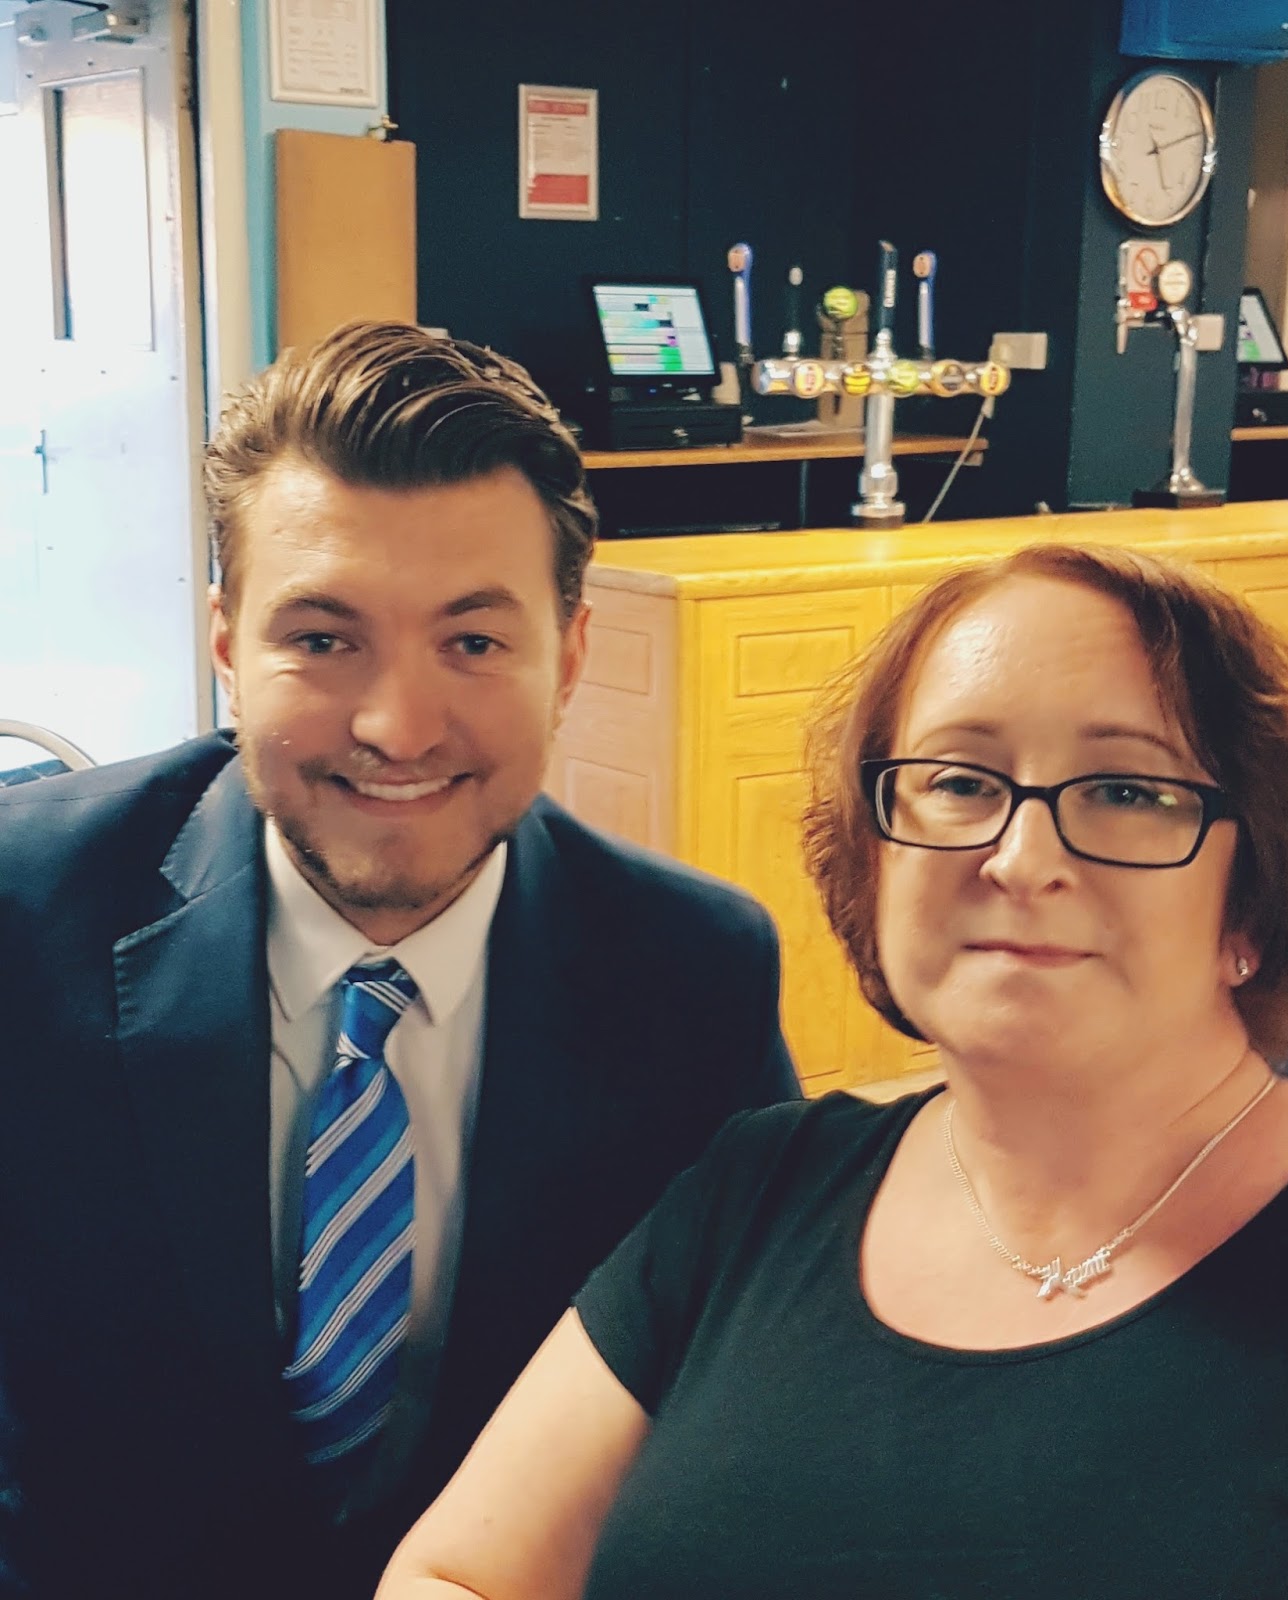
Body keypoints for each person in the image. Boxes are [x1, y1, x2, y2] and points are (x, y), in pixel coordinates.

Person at [379, 543, 1288, 1600]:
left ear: (1251, 902)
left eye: (1126, 790)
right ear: (875, 855)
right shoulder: (760, 1183)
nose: (1021, 859)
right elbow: (457, 1571)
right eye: (960, 781)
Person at [0, 322, 797, 1600]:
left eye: (473, 642)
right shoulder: (27, 910)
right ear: (226, 644)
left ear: (570, 656)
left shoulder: (693, 975)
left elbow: (740, 1400)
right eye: (324, 639)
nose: (398, 726)